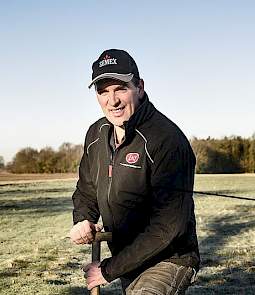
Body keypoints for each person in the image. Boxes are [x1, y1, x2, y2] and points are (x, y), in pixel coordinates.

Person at [70, 49, 200, 294]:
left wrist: (108, 270)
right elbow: (87, 188)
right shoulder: (96, 135)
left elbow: (169, 227)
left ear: (139, 87)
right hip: (128, 257)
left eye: (120, 88)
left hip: (169, 258)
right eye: (103, 91)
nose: (113, 100)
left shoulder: (166, 140)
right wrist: (83, 219)